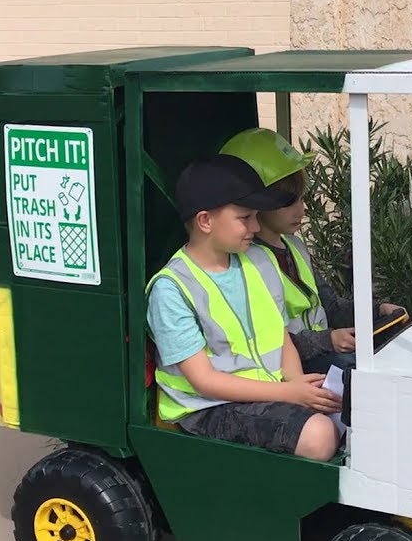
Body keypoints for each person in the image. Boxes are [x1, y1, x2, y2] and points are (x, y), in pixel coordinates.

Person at [145, 153, 343, 462]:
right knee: (319, 435)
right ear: (205, 221)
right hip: (208, 407)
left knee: (355, 402)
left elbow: (281, 338)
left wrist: (296, 383)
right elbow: (204, 381)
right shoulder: (171, 288)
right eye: (245, 217)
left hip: (271, 389)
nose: (255, 225)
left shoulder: (259, 260)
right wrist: (290, 394)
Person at [219, 128, 409, 375]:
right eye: (289, 201)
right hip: (289, 371)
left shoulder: (295, 246)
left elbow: (329, 305)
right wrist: (327, 340)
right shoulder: (243, 263)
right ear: (256, 202)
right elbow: (266, 341)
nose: (301, 210)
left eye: (301, 199)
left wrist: (378, 311)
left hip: (322, 357)